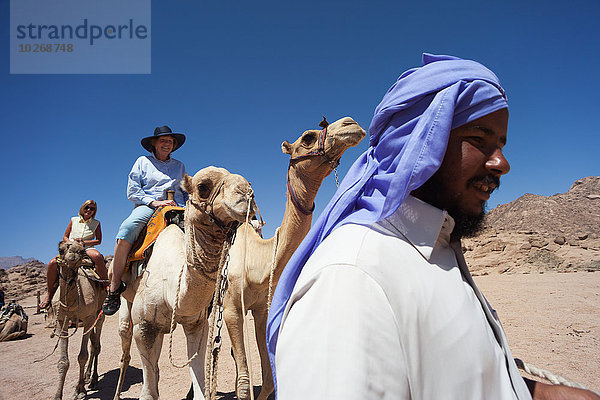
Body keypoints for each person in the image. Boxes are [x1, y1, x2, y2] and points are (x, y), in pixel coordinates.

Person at [266, 54, 600, 400]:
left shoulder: (440, 247)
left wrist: (538, 391)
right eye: (478, 138)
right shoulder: (352, 279)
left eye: (500, 144)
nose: (502, 163)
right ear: (419, 140)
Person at [102, 125, 188, 316]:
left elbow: (185, 191)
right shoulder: (142, 162)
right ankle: (115, 287)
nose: (167, 144)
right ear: (154, 144)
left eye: (170, 142)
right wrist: (155, 202)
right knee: (126, 230)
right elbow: (133, 191)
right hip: (149, 206)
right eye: (163, 141)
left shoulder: (179, 166)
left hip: (178, 207)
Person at [39, 200, 107, 309]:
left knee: (97, 257)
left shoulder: (96, 223)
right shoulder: (73, 220)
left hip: (86, 248)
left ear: (94, 211)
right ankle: (49, 294)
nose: (89, 210)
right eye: (87, 207)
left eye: (92, 208)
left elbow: (98, 240)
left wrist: (83, 242)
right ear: (82, 208)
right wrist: (70, 243)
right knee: (52, 263)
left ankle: (106, 286)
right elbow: (65, 236)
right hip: (70, 247)